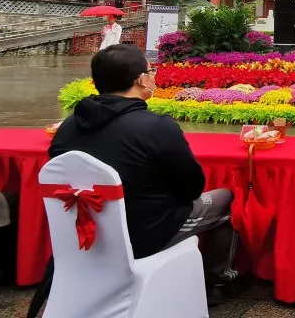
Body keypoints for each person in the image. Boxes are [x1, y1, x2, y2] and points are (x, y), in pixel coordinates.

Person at [48, 45, 238, 303]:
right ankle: (219, 282)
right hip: (145, 234)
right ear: (140, 80)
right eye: (151, 72)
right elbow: (192, 188)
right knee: (226, 199)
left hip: (83, 233)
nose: (154, 77)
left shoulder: (67, 127)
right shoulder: (156, 127)